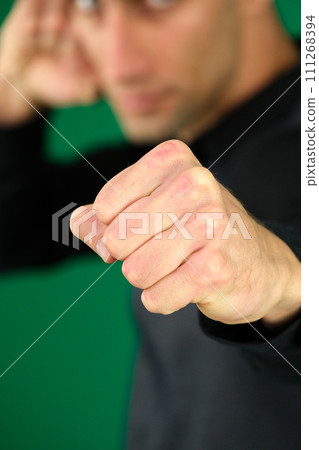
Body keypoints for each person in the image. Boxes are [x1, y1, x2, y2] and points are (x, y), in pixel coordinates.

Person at [0, 0, 301, 449]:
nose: (120, 66)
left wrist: (286, 285)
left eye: (157, 4)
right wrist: (9, 102)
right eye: (90, 7)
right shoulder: (179, 149)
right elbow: (15, 230)